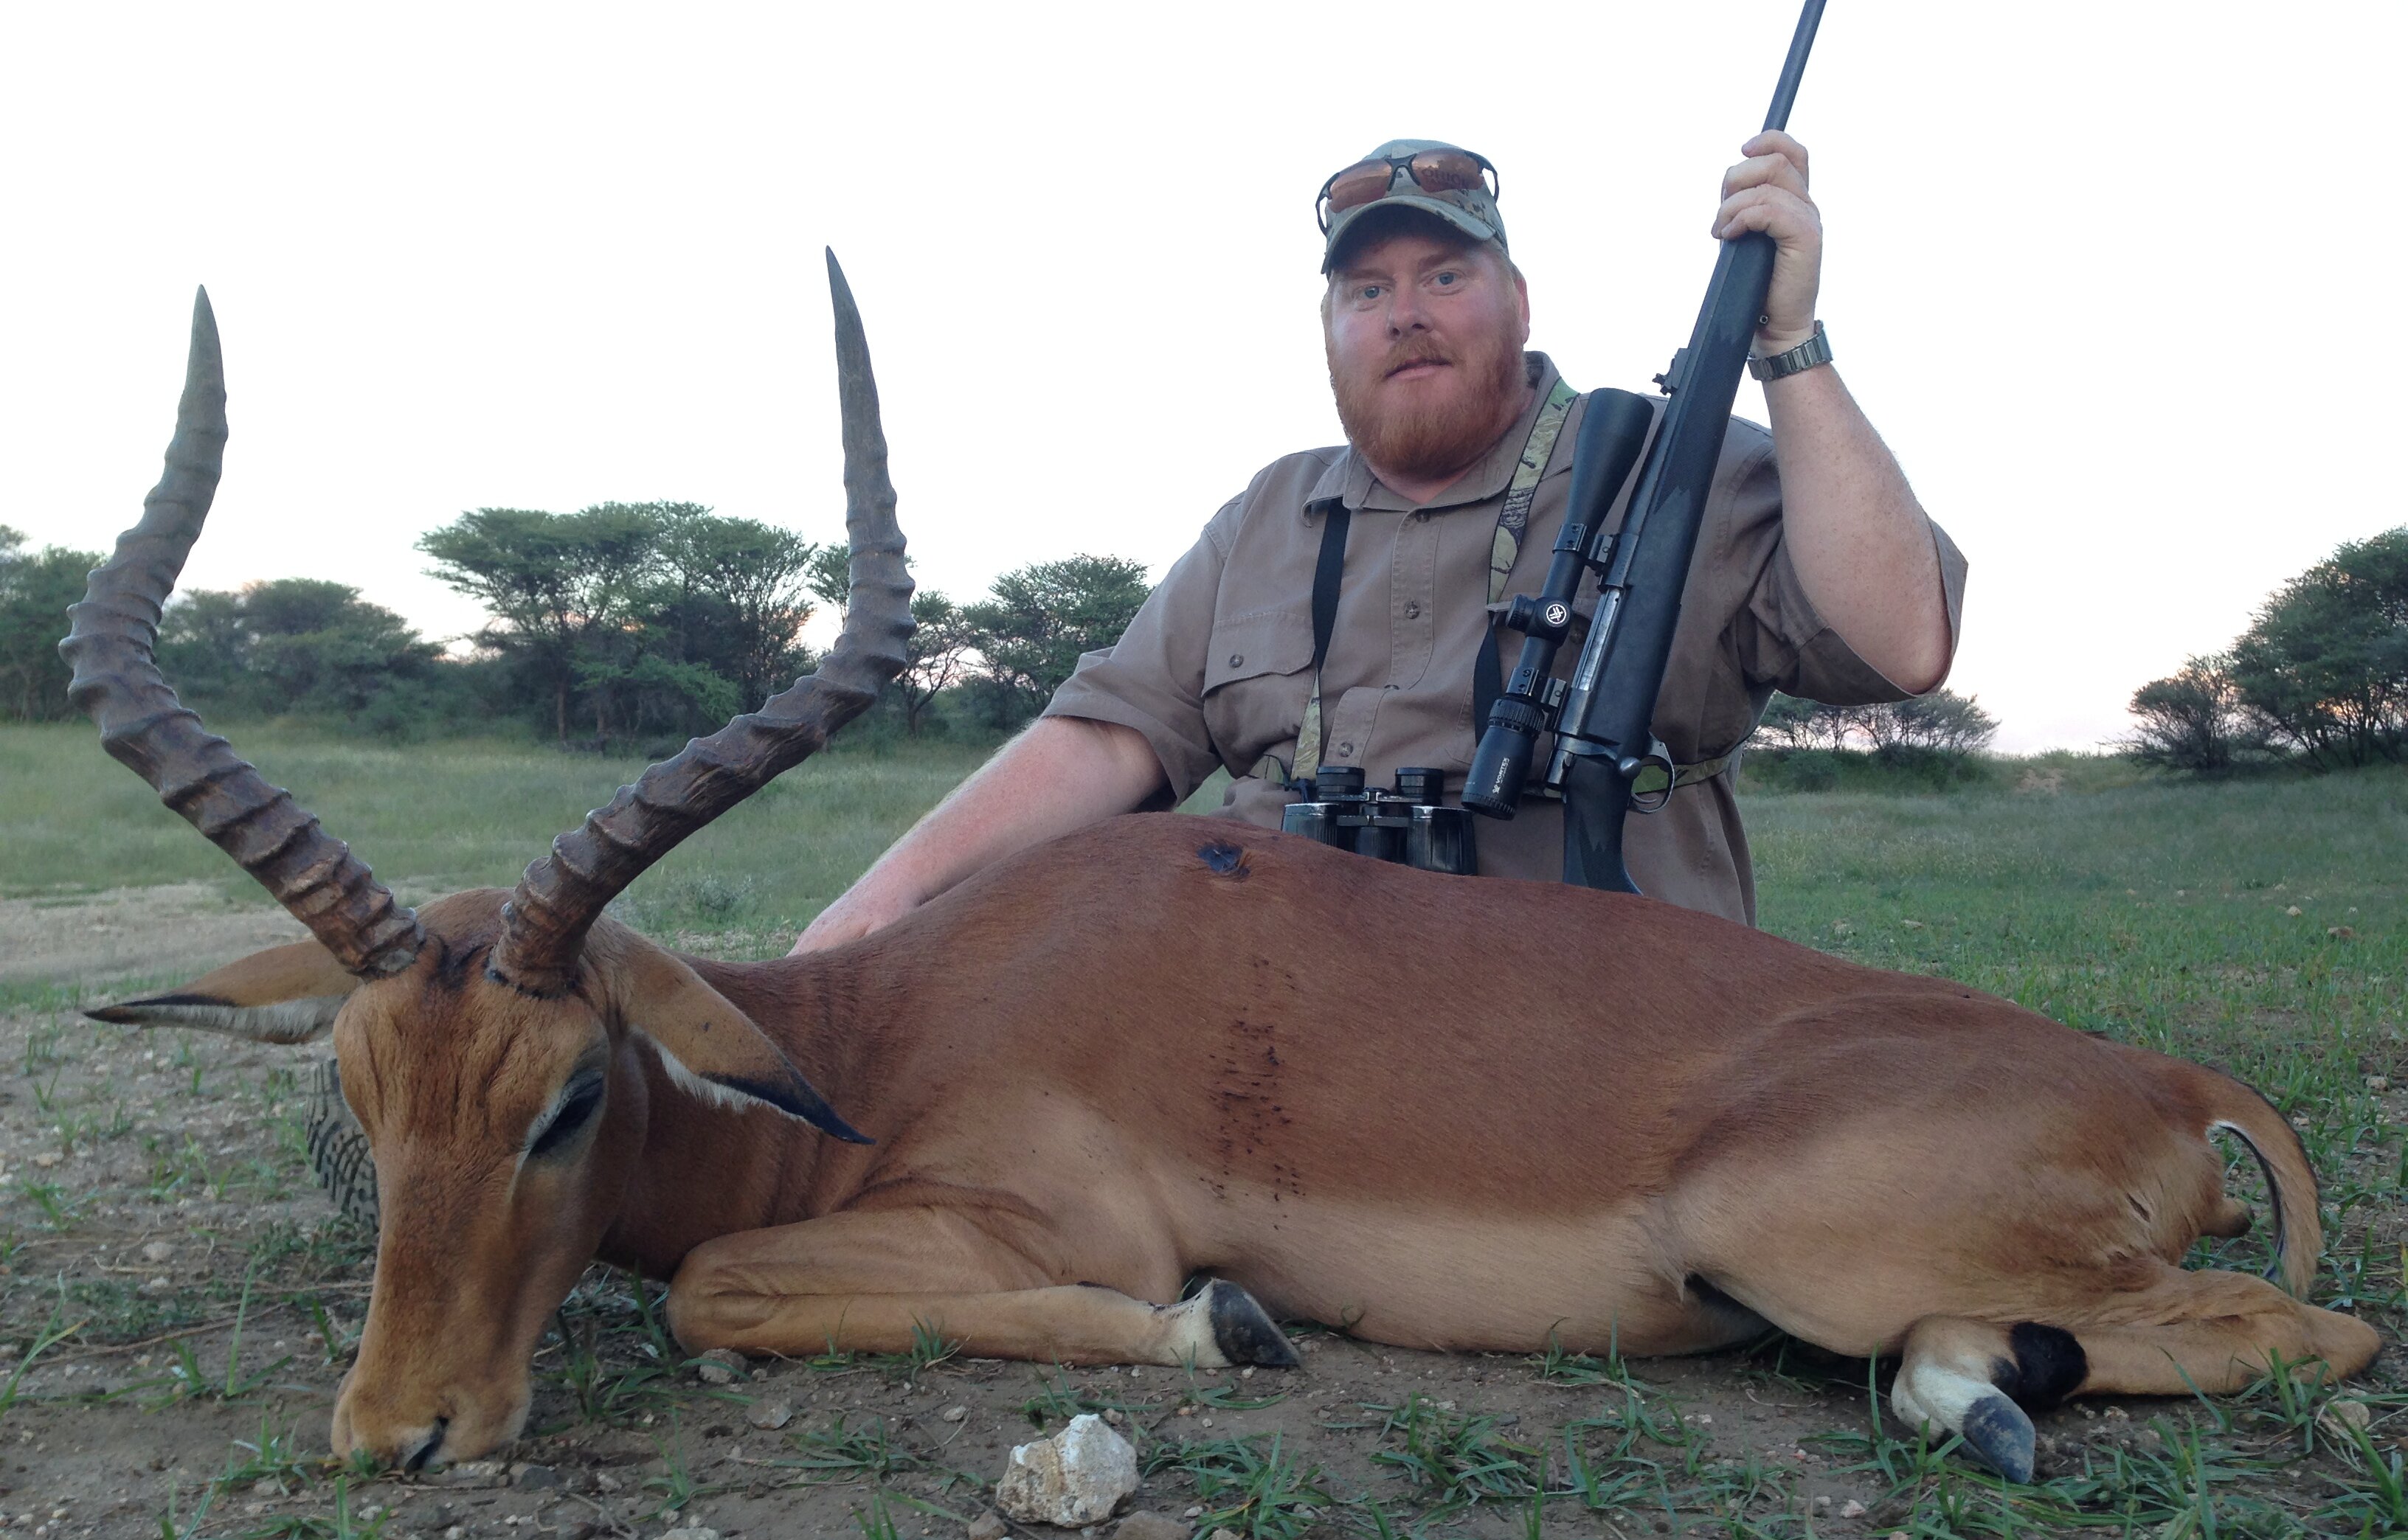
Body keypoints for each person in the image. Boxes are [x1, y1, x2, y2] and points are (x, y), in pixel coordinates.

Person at [797, 133, 1965, 950]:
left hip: (1591, 1005)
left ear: (1520, 302)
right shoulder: (1267, 512)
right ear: (1330, 334)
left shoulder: (1685, 466)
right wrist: (881, 898)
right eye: (1366, 291)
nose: (1404, 312)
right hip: (1262, 991)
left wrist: (1792, 347)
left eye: (1445, 275)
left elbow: (1904, 645)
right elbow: (1109, 743)